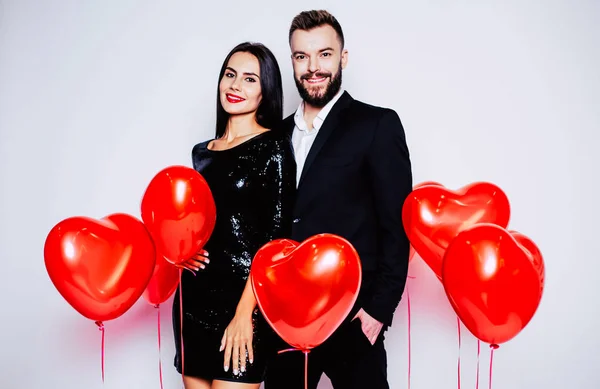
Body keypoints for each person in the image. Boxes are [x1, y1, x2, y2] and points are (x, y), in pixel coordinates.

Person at [264, 10, 412, 389]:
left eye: (324, 55)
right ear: (292, 61)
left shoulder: (377, 125)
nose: (313, 67)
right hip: (285, 324)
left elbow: (398, 227)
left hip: (353, 321)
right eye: (302, 57)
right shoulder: (274, 138)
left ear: (343, 58)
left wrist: (378, 311)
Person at [172, 42, 296, 389]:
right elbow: (192, 223)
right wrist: (181, 253)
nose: (235, 85)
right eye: (230, 75)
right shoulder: (201, 153)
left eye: (249, 79)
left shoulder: (274, 146)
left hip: (245, 300)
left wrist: (246, 313)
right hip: (193, 301)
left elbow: (277, 241)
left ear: (265, 91)